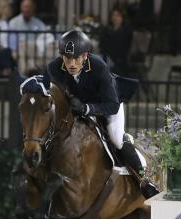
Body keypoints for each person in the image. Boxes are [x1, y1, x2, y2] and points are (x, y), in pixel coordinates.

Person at [21, 30, 159, 198]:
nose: (72, 64)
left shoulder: (99, 68)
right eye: (67, 58)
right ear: (62, 56)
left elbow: (112, 106)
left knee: (115, 137)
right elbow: (41, 87)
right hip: (77, 107)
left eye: (76, 58)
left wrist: (87, 109)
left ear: (85, 56)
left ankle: (144, 180)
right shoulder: (54, 67)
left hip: (107, 104)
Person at [99, 7, 133, 76]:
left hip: (120, 61)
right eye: (113, 15)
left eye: (118, 15)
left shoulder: (127, 31)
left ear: (122, 18)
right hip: (107, 59)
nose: (115, 18)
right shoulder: (106, 30)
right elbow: (102, 45)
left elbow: (125, 48)